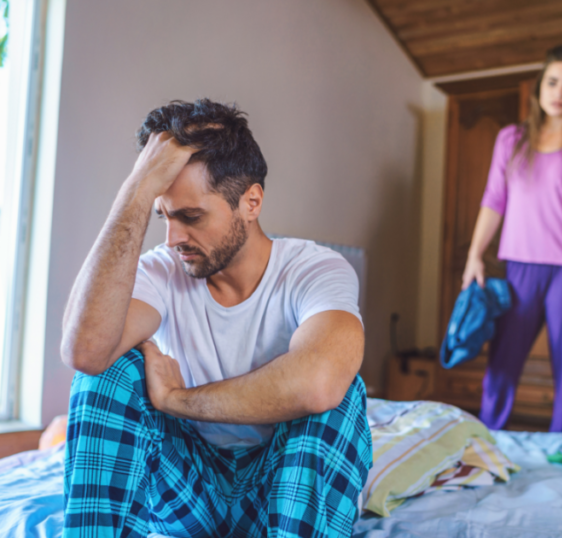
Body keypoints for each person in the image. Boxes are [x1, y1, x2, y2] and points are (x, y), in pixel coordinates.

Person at [60, 99, 372, 537]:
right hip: (188, 489)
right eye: (163, 216)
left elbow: (320, 381)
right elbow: (86, 353)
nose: (172, 239)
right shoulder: (161, 270)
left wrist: (177, 399)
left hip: (279, 485)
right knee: (108, 373)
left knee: (342, 393)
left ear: (251, 201)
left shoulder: (315, 268)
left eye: (191, 217)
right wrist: (136, 190)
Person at [461, 45, 562, 434]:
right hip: (519, 268)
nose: (559, 92)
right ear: (539, 88)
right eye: (553, 82)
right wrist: (475, 255)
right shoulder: (511, 139)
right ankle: (487, 436)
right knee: (502, 363)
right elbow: (494, 201)